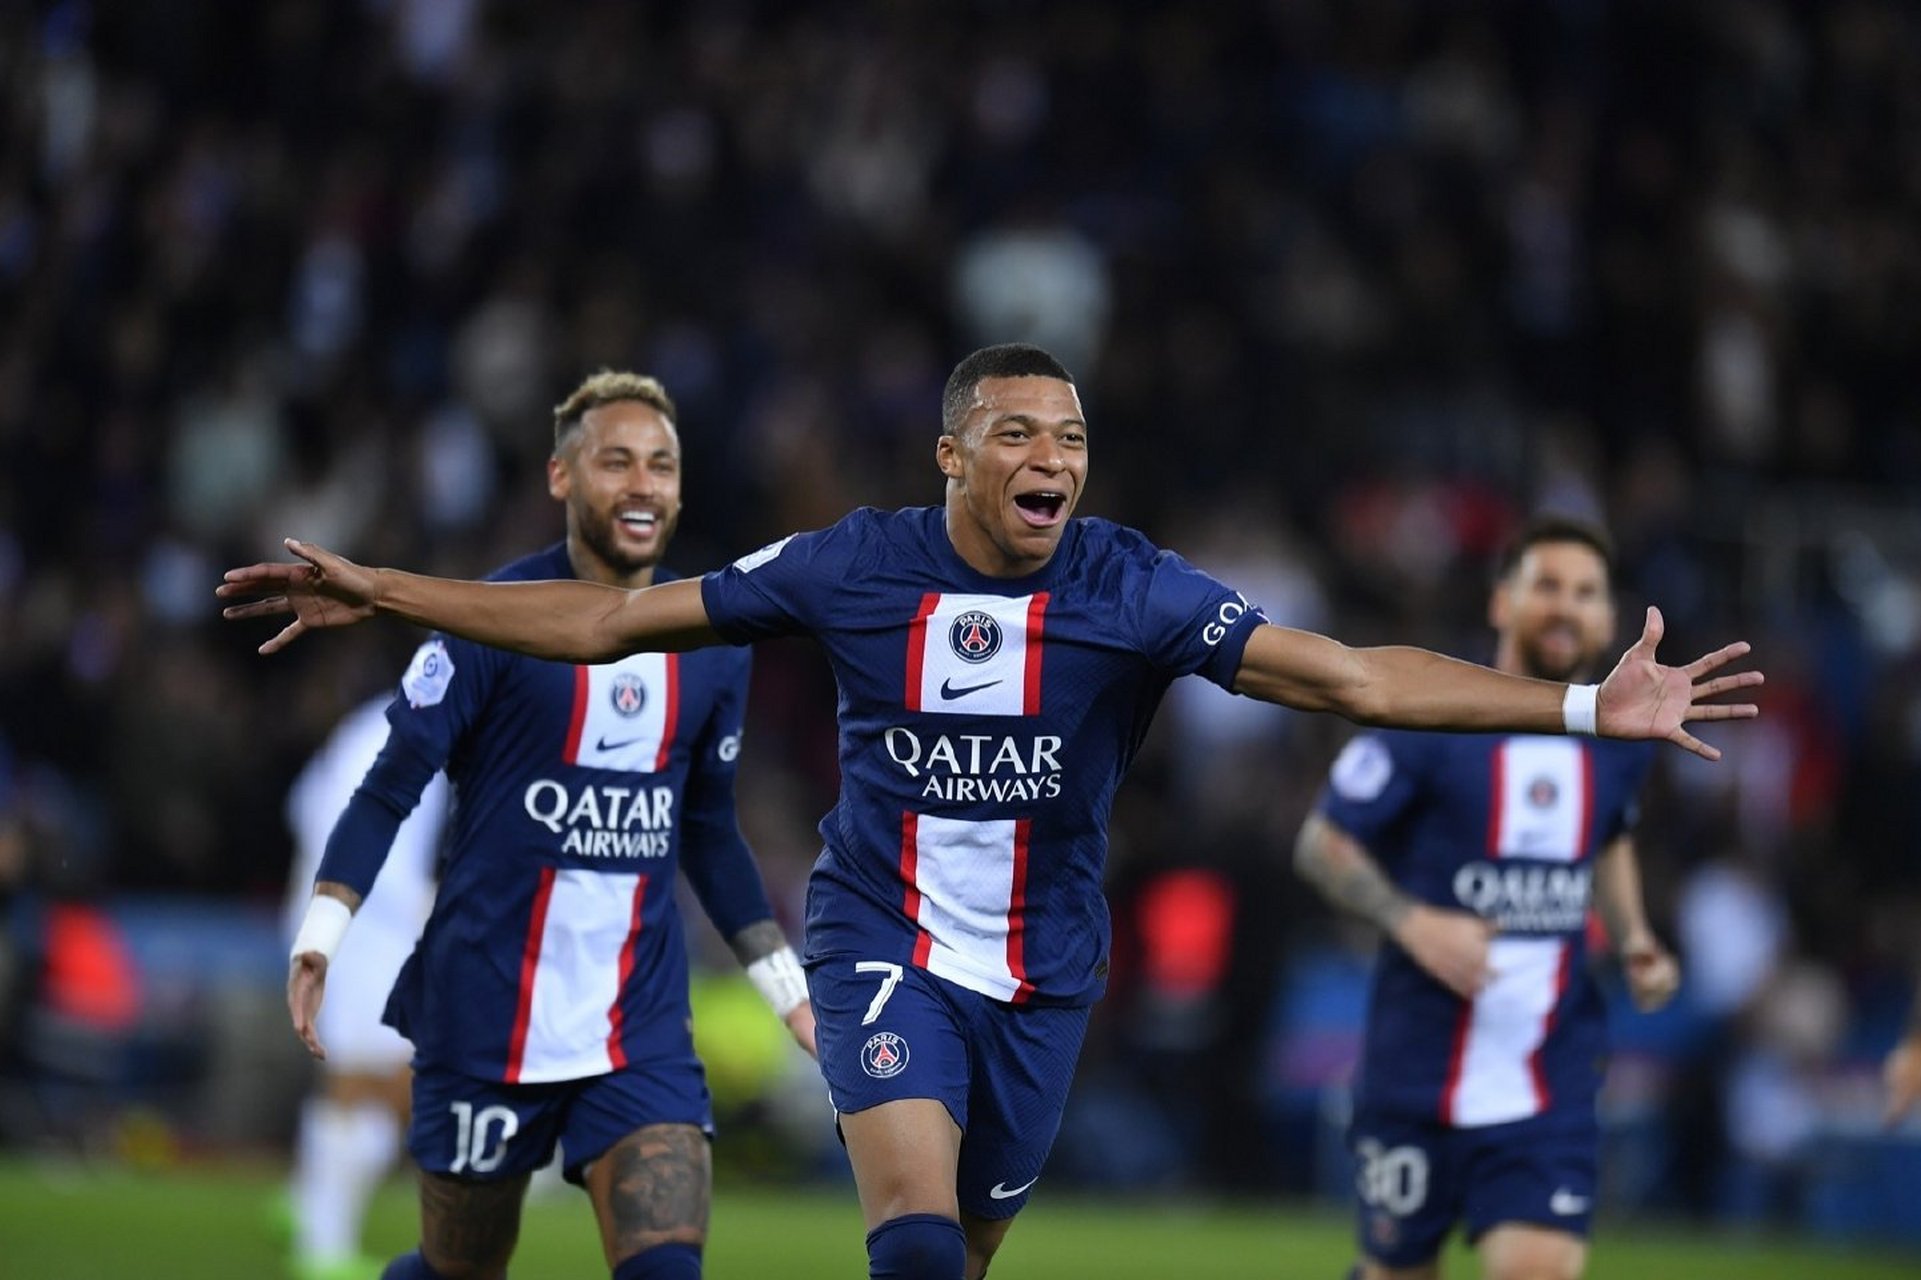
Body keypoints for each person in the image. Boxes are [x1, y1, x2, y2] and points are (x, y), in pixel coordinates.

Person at [221, 344, 1760, 1280]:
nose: (1052, 460)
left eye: (1072, 439)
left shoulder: (1130, 587)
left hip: (1044, 974)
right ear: (952, 455)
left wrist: (1583, 706)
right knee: (906, 1240)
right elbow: (608, 620)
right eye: (1019, 434)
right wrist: (387, 590)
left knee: (957, 1250)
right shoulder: (850, 565)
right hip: (880, 937)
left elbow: (1354, 677)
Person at [277, 370, 817, 1280]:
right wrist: (323, 934)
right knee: (460, 1268)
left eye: (661, 465)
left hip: (636, 1023)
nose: (643, 484)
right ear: (561, 477)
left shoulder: (710, 643)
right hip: (487, 1018)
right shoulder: (481, 623)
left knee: (666, 1267)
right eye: (616, 461)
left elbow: (708, 831)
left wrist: (785, 989)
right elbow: (386, 788)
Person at [1293, 516, 1683, 1280]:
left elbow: (1610, 835)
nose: (1565, 607)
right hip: (1415, 1075)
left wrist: (1633, 935)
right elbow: (1321, 842)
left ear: (1608, 617)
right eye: (1546, 586)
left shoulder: (1621, 740)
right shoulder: (1429, 717)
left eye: (1585, 592)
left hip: (1549, 1082)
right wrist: (1413, 922)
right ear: (1500, 602)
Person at [283, 695, 448, 1280]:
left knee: (371, 1076)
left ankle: (307, 1205)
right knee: (373, 1079)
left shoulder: (376, 721)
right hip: (362, 921)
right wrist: (429, 908)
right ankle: (321, 1245)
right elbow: (353, 827)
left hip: (347, 914)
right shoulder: (409, 729)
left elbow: (302, 802)